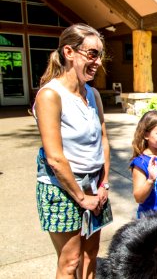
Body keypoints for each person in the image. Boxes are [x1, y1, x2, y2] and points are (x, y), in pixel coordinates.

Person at [33, 23, 111, 278]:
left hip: (94, 186)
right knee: (70, 261)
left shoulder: (93, 94)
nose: (97, 61)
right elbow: (55, 158)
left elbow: (103, 139)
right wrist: (82, 197)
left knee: (91, 257)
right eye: (91, 54)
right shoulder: (50, 96)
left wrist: (104, 185)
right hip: (63, 189)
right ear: (69, 52)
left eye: (99, 55)